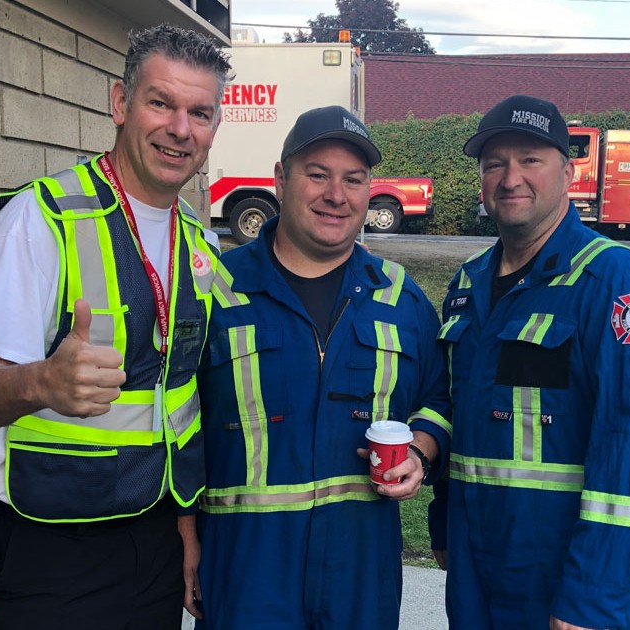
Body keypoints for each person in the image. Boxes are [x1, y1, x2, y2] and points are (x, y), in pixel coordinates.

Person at [0, 24, 230, 629]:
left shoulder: (198, 244)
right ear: (121, 103)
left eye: (200, 112)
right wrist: (40, 383)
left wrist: (184, 534)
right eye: (161, 103)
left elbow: (176, 404)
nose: (181, 128)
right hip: (52, 546)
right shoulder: (41, 219)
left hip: (154, 540)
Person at [192, 105, 452, 629]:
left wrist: (421, 453)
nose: (337, 194)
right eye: (318, 175)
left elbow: (439, 401)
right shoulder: (213, 291)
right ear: (280, 180)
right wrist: (179, 536)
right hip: (245, 574)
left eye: (353, 180)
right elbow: (173, 422)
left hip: (361, 574)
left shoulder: (400, 298)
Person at [433, 95, 630, 630]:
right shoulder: (467, 283)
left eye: (530, 160)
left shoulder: (616, 284)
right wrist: (441, 525)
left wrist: (593, 596)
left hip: (559, 576)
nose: (510, 177)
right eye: (494, 163)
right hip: (474, 565)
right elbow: (460, 409)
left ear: (568, 172)